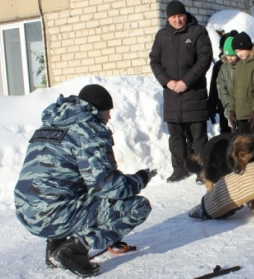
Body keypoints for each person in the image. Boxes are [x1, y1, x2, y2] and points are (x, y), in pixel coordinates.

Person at [14, 84, 154, 277]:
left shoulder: (50, 125)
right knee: (139, 206)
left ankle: (55, 248)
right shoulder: (90, 132)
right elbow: (108, 187)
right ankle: (73, 252)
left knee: (69, 191)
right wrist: (140, 179)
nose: (109, 117)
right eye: (108, 111)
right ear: (97, 108)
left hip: (27, 214)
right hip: (53, 216)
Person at [149, 0, 213, 182]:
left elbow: (204, 59)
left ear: (185, 15)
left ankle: (203, 169)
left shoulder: (197, 32)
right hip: (172, 95)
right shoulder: (161, 36)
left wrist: (186, 81)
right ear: (168, 18)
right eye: (174, 17)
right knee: (175, 136)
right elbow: (154, 61)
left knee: (198, 136)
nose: (178, 20)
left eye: (180, 16)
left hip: (194, 93)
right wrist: (166, 81)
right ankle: (180, 168)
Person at [228, 31, 254, 135]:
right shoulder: (239, 65)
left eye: (241, 50)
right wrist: (231, 110)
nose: (239, 54)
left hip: (251, 114)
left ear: (248, 48)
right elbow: (233, 89)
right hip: (239, 114)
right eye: (236, 51)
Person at [207, 32, 234, 134]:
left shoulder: (240, 64)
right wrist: (212, 108)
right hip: (223, 106)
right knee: (226, 131)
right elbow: (213, 88)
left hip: (238, 108)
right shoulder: (219, 65)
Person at [217, 33, 239, 131]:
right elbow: (221, 87)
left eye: (232, 55)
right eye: (227, 55)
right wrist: (227, 104)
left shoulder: (242, 65)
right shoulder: (224, 67)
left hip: (243, 107)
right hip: (230, 108)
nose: (230, 58)